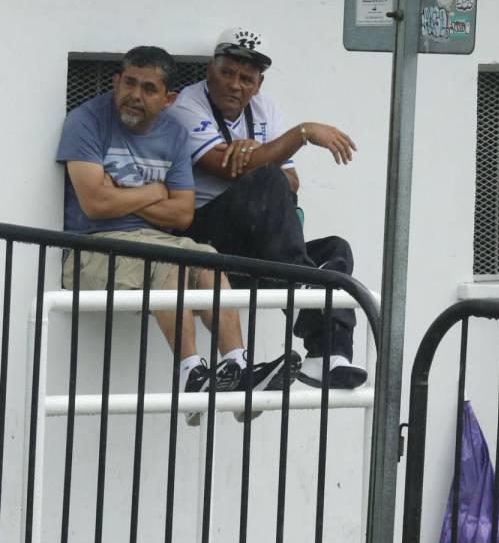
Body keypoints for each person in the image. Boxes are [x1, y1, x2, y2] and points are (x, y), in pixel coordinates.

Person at [56, 46, 299, 424]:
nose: (136, 95)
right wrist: (154, 193)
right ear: (116, 81)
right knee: (173, 262)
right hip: (92, 248)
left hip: (156, 242)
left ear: (168, 99)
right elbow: (94, 205)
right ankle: (192, 374)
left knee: (208, 258)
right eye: (130, 83)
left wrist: (121, 193)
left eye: (149, 89)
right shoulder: (86, 121)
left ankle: (239, 369)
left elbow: (183, 213)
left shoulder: (172, 132)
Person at [165, 27, 366, 389]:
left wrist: (255, 157)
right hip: (204, 241)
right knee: (267, 180)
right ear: (210, 69)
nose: (235, 85)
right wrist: (301, 135)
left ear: (259, 84)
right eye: (227, 73)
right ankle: (300, 282)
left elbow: (293, 183)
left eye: (246, 78)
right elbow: (222, 166)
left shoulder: (264, 109)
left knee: (337, 249)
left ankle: (327, 356)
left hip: (257, 248)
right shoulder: (187, 105)